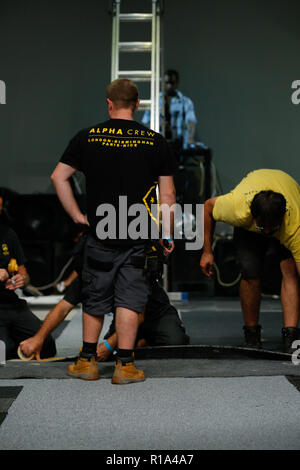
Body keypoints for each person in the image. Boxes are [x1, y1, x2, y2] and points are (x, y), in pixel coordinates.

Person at [51, 78, 177, 384]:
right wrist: (168, 233)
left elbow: (59, 177)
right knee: (130, 299)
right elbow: (168, 196)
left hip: (101, 232)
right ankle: (125, 366)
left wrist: (78, 216)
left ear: (109, 103)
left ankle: (86, 362)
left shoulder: (87, 137)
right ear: (137, 104)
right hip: (139, 233)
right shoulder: (156, 141)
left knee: (94, 295)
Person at [200, 169, 300, 353]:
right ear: (252, 216)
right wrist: (207, 251)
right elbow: (207, 207)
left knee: (290, 272)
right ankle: (252, 336)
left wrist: (274, 227)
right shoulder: (237, 209)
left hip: (287, 215)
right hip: (250, 227)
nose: (268, 233)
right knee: (249, 272)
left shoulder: (293, 223)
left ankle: (291, 337)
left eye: (272, 228)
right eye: (263, 227)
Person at [0, 221, 56, 360]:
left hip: (11, 304)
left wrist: (21, 279)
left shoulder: (8, 233)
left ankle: (9, 339)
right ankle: (8, 342)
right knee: (2, 351)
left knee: (47, 345)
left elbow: (24, 273)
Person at [141, 69, 197, 149]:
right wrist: (159, 126)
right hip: (158, 144)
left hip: (179, 145)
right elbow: (145, 124)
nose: (169, 86)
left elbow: (191, 122)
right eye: (167, 83)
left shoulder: (186, 102)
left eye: (172, 83)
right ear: (163, 83)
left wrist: (190, 138)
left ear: (177, 83)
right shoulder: (154, 102)